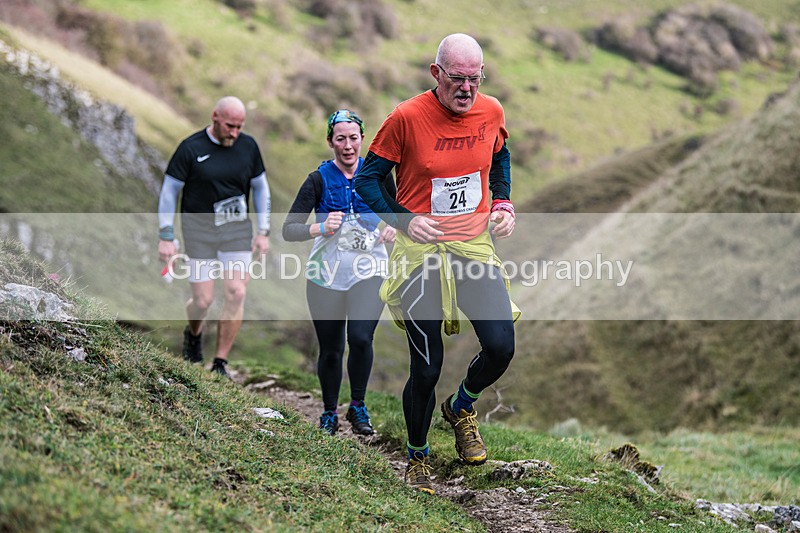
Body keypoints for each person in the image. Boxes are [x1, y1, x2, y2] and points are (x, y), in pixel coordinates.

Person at [354, 33, 518, 494]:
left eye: (475, 79)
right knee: (426, 366)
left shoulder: (492, 111)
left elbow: (500, 158)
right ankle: (417, 456)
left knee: (501, 347)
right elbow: (367, 181)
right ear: (436, 73)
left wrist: (503, 202)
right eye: (457, 79)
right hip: (420, 253)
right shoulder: (405, 118)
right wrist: (403, 220)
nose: (467, 89)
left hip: (472, 247)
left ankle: (461, 406)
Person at [283, 109, 396, 436]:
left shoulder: (377, 175)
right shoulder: (317, 180)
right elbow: (289, 229)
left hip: (370, 270)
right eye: (340, 139)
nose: (348, 145)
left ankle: (358, 406)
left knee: (360, 338)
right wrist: (319, 227)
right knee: (331, 349)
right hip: (325, 275)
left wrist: (394, 226)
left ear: (363, 139)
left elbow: (401, 212)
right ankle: (329, 412)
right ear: (330, 141)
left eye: (353, 138)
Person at [157, 96, 271, 379]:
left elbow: (260, 188)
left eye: (240, 127)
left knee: (236, 292)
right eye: (230, 126)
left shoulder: (248, 146)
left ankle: (220, 362)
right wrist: (166, 235)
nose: (235, 133)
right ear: (215, 117)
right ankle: (193, 334)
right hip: (199, 232)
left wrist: (263, 231)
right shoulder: (190, 148)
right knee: (203, 300)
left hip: (236, 230)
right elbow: (170, 191)